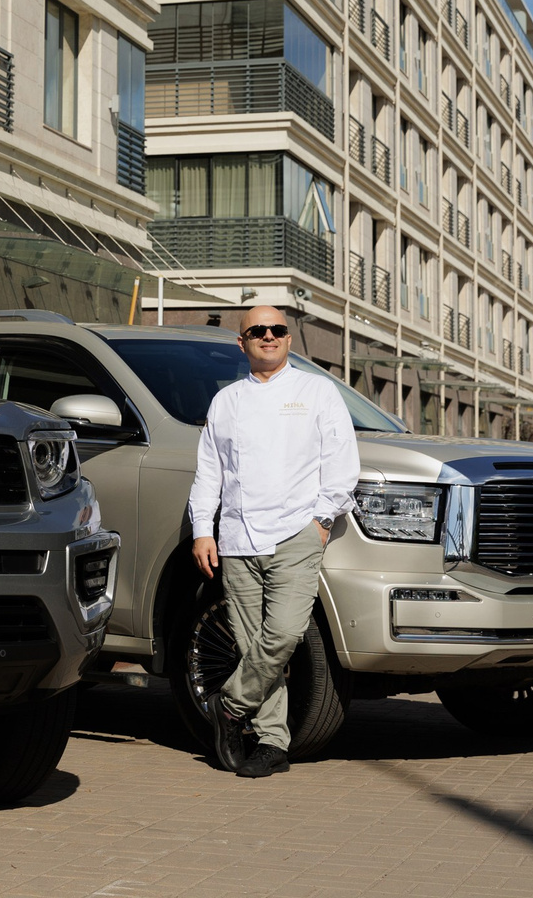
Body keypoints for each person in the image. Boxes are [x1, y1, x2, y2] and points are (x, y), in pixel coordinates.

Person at [188, 306, 359, 777]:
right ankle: (271, 743)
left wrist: (321, 520)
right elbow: (210, 472)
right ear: (241, 342)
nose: (268, 335)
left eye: (277, 329)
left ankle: (228, 706)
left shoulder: (316, 391)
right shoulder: (226, 401)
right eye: (257, 330)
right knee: (251, 648)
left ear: (288, 339)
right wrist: (203, 529)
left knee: (283, 635)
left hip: (296, 534)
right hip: (238, 537)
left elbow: (342, 462)